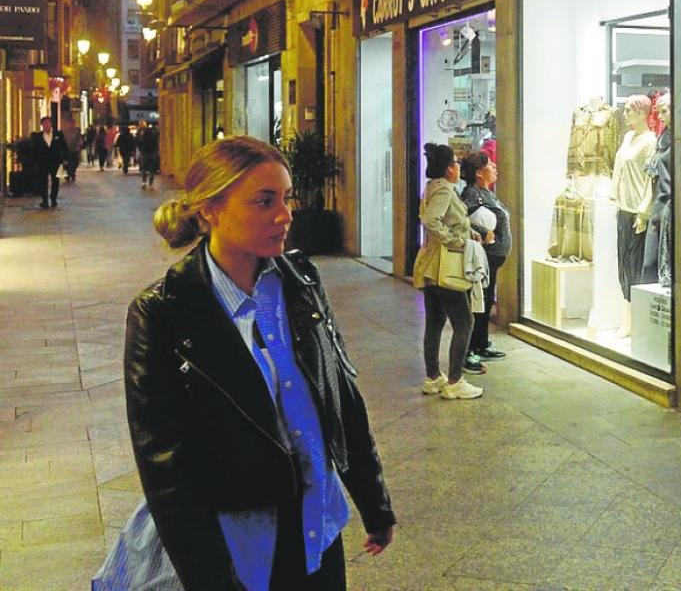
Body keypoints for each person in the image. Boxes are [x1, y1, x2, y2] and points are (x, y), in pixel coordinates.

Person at [117, 136, 395, 589]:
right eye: (264, 201)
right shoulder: (162, 312)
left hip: (318, 529)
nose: (284, 215)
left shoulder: (300, 281)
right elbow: (165, 466)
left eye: (286, 198)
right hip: (241, 549)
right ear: (211, 209)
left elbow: (341, 394)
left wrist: (373, 500)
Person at [412, 143, 483, 399]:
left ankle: (433, 377)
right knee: (464, 321)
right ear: (447, 168)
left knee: (435, 322)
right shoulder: (444, 190)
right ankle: (455, 381)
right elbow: (431, 220)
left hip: (430, 265)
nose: (458, 167)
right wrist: (455, 241)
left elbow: (444, 221)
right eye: (455, 163)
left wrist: (467, 233)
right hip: (445, 266)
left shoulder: (433, 187)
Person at [458, 151, 509, 365]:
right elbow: (462, 219)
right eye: (490, 165)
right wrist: (481, 230)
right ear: (479, 173)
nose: (495, 167)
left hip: (494, 256)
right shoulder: (472, 193)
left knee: (486, 301)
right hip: (484, 256)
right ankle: (470, 348)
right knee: (478, 302)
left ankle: (481, 343)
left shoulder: (487, 192)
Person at [29, 116, 66, 208]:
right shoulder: (38, 137)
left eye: (48, 123)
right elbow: (34, 150)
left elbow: (64, 147)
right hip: (43, 162)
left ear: (51, 124)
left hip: (55, 162)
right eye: (44, 123)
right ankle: (44, 200)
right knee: (43, 181)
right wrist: (34, 162)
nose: (46, 125)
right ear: (42, 125)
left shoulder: (58, 134)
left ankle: (53, 199)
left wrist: (65, 159)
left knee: (55, 181)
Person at [137, 123, 161, 190]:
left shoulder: (142, 138)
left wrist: (140, 150)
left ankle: (144, 182)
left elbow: (139, 145)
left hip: (144, 154)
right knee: (151, 169)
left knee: (144, 169)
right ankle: (151, 183)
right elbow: (156, 146)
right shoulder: (153, 139)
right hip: (152, 154)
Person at [61, 117, 83, 182]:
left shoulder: (77, 130)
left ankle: (72, 173)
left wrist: (79, 145)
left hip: (74, 149)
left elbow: (79, 138)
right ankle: (68, 174)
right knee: (67, 163)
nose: (72, 125)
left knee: (75, 162)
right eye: (70, 123)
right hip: (66, 150)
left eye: (73, 123)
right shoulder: (63, 131)